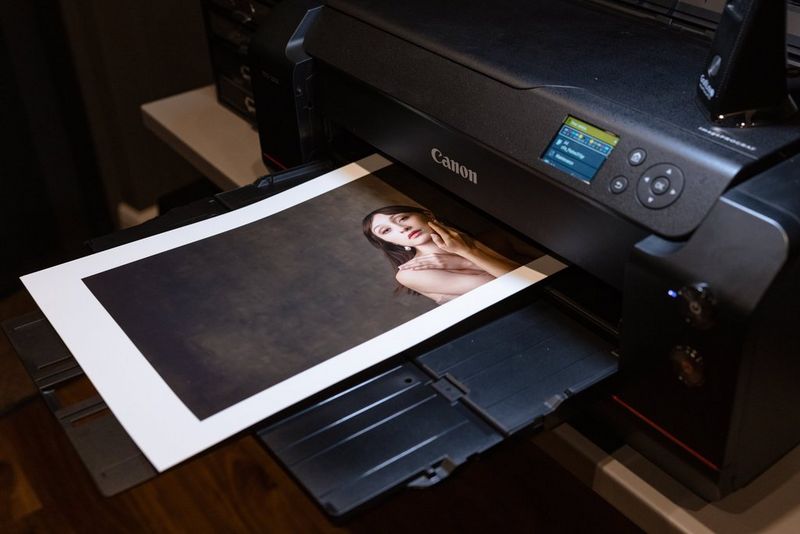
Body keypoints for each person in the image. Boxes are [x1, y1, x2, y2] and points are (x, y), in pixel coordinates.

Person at [362, 205, 519, 304]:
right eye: (386, 230)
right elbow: (513, 284)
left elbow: (529, 278)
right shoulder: (410, 274)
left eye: (402, 218)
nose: (401, 228)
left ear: (428, 216)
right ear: (392, 243)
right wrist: (465, 262)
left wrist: (466, 252)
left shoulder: (493, 237)